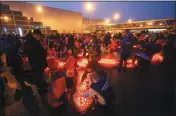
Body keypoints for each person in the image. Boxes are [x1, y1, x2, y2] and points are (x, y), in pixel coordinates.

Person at [24, 29, 48, 107]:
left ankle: (41, 86)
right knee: (38, 76)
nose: (40, 37)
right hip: (37, 63)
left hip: (37, 63)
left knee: (40, 75)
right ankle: (40, 90)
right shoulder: (32, 43)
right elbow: (38, 53)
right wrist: (43, 49)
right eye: (39, 36)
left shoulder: (32, 41)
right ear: (35, 35)